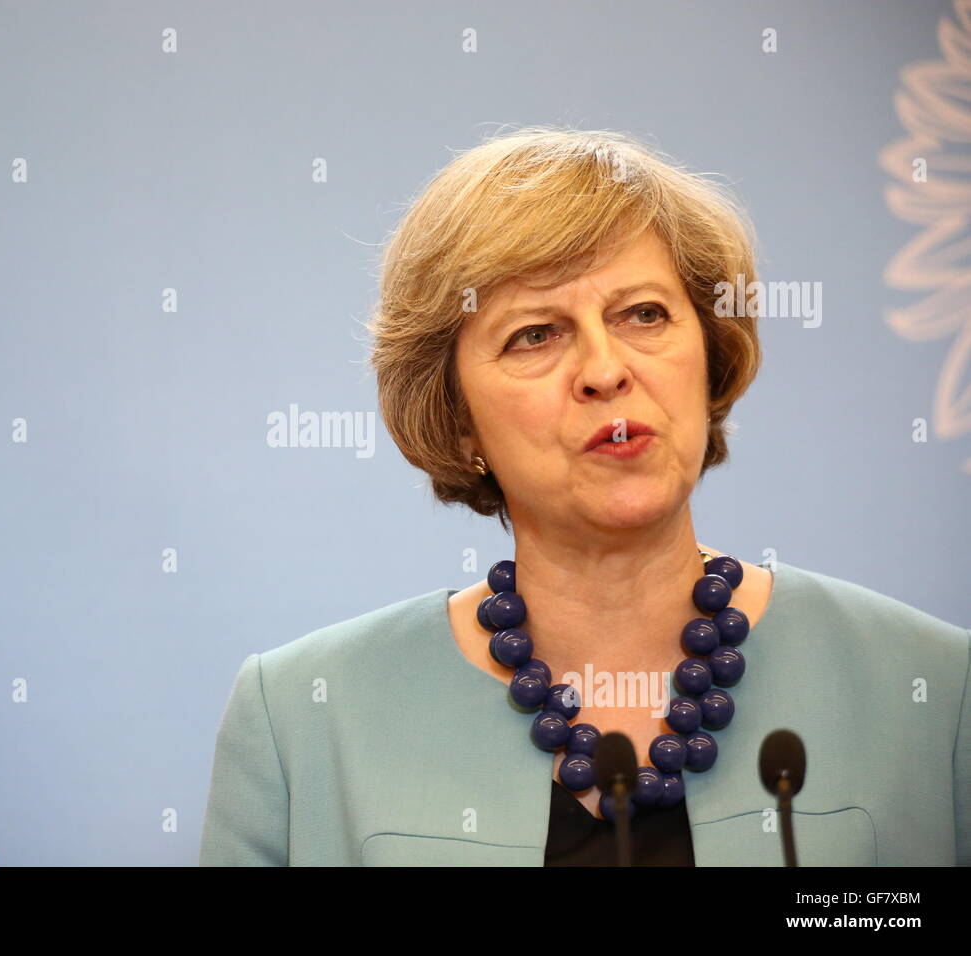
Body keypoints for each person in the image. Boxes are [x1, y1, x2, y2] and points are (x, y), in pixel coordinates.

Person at [198, 127, 971, 866]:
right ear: (458, 419)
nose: (605, 369)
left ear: (708, 363)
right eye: (535, 333)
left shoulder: (936, 692)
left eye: (643, 314)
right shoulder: (303, 721)